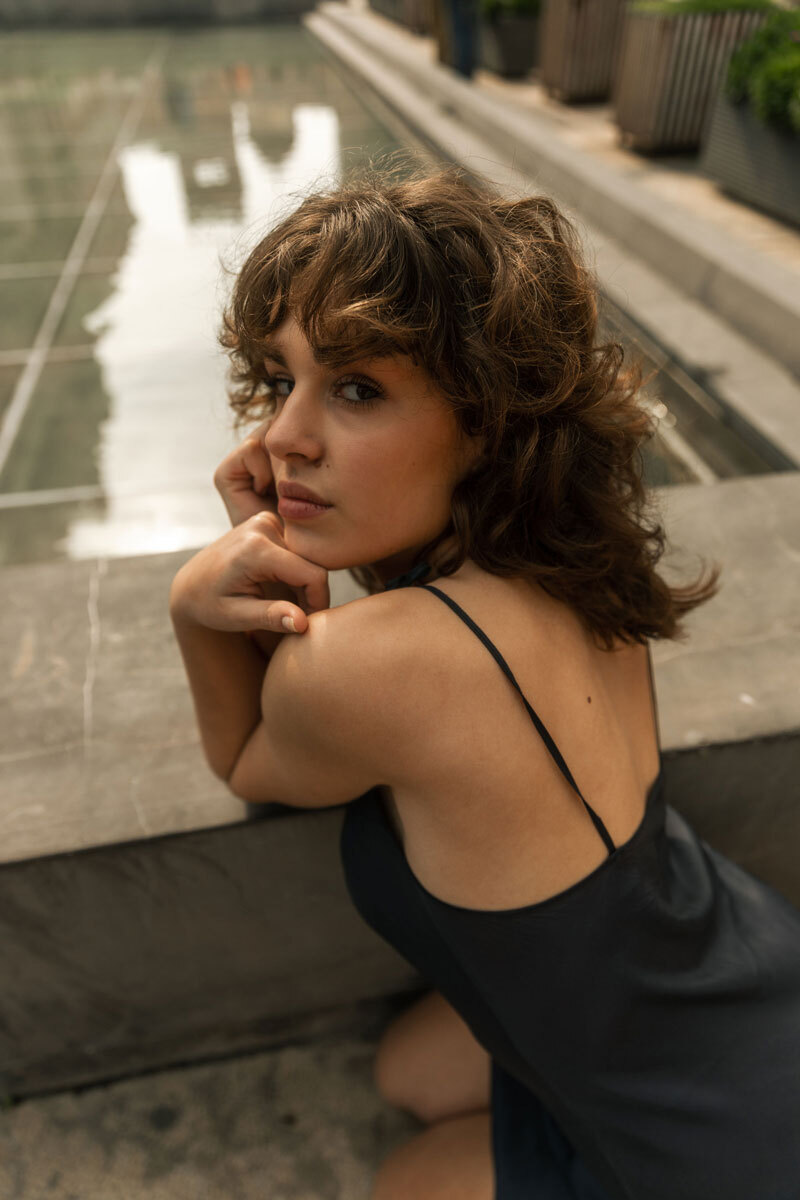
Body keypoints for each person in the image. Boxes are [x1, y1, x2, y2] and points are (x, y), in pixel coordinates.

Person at [169, 160, 800, 1200]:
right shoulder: (581, 558)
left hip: (706, 1154)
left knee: (401, 1181)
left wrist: (197, 609)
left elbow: (247, 760)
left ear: (487, 422)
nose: (281, 437)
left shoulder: (363, 670)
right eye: (283, 382)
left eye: (357, 388)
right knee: (405, 1071)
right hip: (714, 966)